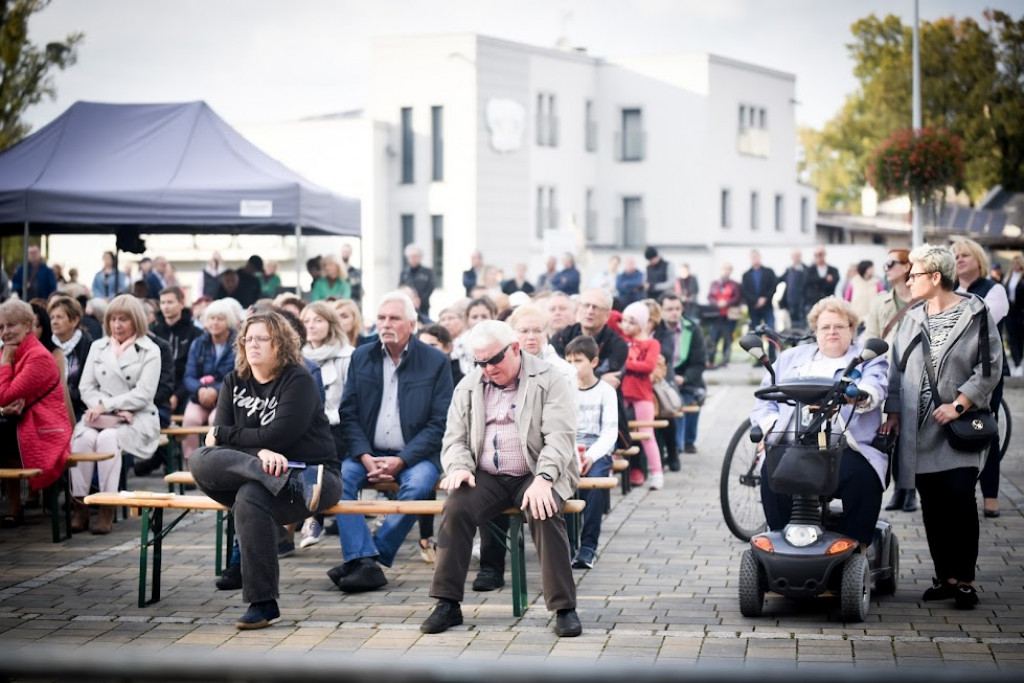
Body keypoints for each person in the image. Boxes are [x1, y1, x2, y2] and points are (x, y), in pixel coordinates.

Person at [420, 320, 581, 637]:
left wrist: (544, 479)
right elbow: (454, 440)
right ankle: (446, 604)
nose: (488, 368)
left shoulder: (550, 379)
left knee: (544, 509)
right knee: (455, 509)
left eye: (494, 359)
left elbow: (560, 437)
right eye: (480, 362)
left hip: (537, 470)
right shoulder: (468, 386)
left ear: (515, 348)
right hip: (487, 476)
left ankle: (564, 608)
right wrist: (460, 467)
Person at [190, 309, 342, 629]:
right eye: (248, 338)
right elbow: (219, 445)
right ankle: (259, 473)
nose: (253, 344)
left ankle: (262, 603)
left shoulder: (298, 378)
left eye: (262, 339)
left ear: (280, 344)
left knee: (248, 497)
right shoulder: (233, 381)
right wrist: (258, 456)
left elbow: (279, 436)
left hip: (312, 477)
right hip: (265, 476)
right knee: (200, 458)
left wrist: (229, 435)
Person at [881, 244, 1002, 610]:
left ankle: (964, 580)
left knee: (960, 499)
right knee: (933, 504)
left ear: (936, 277)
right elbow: (896, 370)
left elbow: (990, 366)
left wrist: (959, 403)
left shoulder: (974, 312)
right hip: (919, 434)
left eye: (915, 274)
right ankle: (945, 577)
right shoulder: (912, 317)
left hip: (958, 428)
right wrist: (894, 412)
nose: (909, 279)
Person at [326, 292, 453, 593]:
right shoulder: (362, 356)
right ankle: (364, 559)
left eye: (394, 318)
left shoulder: (435, 360)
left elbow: (440, 422)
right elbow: (349, 413)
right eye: (381, 318)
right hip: (367, 453)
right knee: (339, 480)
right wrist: (364, 454)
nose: (386, 324)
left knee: (420, 483)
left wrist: (403, 459)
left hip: (416, 456)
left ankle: (369, 557)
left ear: (412, 323)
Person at [753, 296, 889, 550]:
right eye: (825, 327)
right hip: (794, 441)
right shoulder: (791, 358)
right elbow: (764, 402)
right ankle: (782, 542)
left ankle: (855, 548)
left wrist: (857, 396)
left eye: (840, 326)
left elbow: (875, 386)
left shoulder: (866, 358)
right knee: (770, 470)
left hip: (847, 445)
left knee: (862, 476)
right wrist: (770, 429)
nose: (832, 332)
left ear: (852, 329)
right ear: (815, 331)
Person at [70, 295, 161, 534]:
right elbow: (85, 387)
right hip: (99, 413)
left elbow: (144, 393)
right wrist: (105, 407)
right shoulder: (97, 346)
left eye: (123, 319)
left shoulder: (150, 350)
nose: (117, 325)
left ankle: (107, 506)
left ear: (136, 321)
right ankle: (80, 504)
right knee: (83, 438)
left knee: (108, 439)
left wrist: (109, 405)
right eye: (112, 319)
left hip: (137, 417)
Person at [0, 300, 72, 528]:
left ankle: (14, 505)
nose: (5, 332)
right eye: (1, 327)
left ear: (28, 325)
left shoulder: (37, 356)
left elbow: (5, 395)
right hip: (15, 424)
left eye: (11, 325)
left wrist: (5, 362)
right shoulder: (11, 352)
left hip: (42, 429)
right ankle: (13, 505)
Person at [952, 238, 1009, 519]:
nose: (959, 259)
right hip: (952, 370)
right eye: (956, 256)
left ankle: (990, 495)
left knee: (985, 429)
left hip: (986, 369)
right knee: (950, 430)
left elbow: (981, 319)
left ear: (978, 260)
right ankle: (959, 492)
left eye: (965, 255)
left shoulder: (994, 289)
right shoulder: (948, 289)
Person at [861, 248, 918, 513]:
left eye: (891, 263)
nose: (885, 267)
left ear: (908, 267)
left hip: (916, 373)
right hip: (885, 372)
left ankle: (911, 490)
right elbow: (871, 337)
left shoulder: (922, 299)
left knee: (912, 433)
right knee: (890, 431)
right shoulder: (880, 302)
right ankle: (897, 489)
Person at [296, 301, 352, 549]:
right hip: (306, 424)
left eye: (317, 320)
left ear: (330, 323)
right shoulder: (297, 355)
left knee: (320, 449)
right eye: (307, 321)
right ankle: (296, 523)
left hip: (337, 424)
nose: (311, 326)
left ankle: (313, 517)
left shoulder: (347, 354)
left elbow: (350, 398)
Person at [564, 335, 618, 569]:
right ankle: (567, 544)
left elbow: (609, 432)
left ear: (594, 362)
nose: (572, 367)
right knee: (561, 482)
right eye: (568, 361)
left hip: (596, 449)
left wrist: (591, 456)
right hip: (569, 447)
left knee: (595, 483)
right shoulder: (563, 389)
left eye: (578, 361)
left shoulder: (606, 391)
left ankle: (588, 547)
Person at [180, 299, 240, 467]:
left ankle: (215, 464)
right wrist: (201, 390)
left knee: (216, 421)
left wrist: (216, 391)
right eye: (211, 318)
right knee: (190, 419)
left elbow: (239, 375)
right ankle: (190, 463)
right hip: (200, 396)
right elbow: (189, 376)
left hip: (227, 396)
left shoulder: (238, 344)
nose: (214, 322)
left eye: (220, 318)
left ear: (227, 321)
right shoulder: (199, 343)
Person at [618, 301, 665, 489]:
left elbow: (648, 366)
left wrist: (624, 363)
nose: (626, 325)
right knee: (616, 430)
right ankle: (610, 468)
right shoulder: (621, 339)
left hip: (642, 393)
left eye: (632, 321)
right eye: (625, 321)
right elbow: (612, 316)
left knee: (647, 434)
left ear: (643, 324)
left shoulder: (652, 343)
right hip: (622, 392)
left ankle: (656, 472)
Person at [657, 293, 706, 459]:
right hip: (662, 380)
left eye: (677, 308)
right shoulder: (656, 330)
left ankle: (686, 442)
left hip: (687, 380)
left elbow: (699, 363)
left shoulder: (693, 329)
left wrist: (683, 378)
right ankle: (673, 446)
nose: (674, 313)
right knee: (669, 400)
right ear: (661, 311)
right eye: (669, 309)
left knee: (689, 398)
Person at [150, 287, 202, 418]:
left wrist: (178, 395)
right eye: (163, 302)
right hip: (157, 389)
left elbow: (196, 369)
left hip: (186, 389)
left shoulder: (195, 333)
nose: (166, 307)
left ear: (181, 303)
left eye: (170, 302)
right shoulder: (152, 332)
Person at [48, 295, 94, 420]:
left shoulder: (89, 347)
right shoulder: (46, 347)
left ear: (74, 321)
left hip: (79, 410)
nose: (54, 321)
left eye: (59, 317)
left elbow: (89, 385)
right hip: (49, 409)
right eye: (52, 317)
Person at [741, 250, 779, 361]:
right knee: (756, 336)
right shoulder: (746, 275)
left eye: (756, 257)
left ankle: (772, 358)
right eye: (753, 257)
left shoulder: (769, 272)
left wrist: (764, 299)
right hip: (754, 309)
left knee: (771, 331)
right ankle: (759, 360)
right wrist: (756, 301)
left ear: (760, 257)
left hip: (767, 307)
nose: (755, 259)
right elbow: (745, 291)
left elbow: (773, 287)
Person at [707, 263, 742, 367]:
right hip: (716, 315)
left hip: (729, 316)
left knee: (727, 338)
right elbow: (710, 296)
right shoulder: (714, 284)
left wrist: (727, 302)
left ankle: (725, 360)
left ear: (730, 272)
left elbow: (737, 297)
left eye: (728, 270)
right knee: (714, 337)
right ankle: (711, 360)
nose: (725, 272)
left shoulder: (735, 285)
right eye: (724, 269)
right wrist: (717, 303)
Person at [399, 245, 436, 318]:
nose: (412, 259)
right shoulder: (404, 272)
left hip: (423, 306)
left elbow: (430, 287)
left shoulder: (427, 272)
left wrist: (418, 300)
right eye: (410, 256)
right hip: (407, 304)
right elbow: (400, 287)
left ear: (420, 257)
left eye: (415, 256)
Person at [805, 247, 840, 318]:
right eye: (816, 255)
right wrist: (825, 279)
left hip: (828, 302)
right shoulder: (809, 270)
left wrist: (819, 282)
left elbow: (834, 283)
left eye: (820, 254)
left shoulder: (833, 270)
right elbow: (809, 282)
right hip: (813, 303)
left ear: (824, 255)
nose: (818, 257)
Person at [845, 260, 884, 324]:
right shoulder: (853, 283)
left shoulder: (876, 282)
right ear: (865, 269)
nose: (873, 270)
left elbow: (883, 297)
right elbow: (847, 300)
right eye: (871, 268)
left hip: (873, 318)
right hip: (857, 318)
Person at [1005, 254, 1024, 378]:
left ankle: (1020, 362)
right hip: (1010, 310)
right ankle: (1017, 363)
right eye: (1013, 264)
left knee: (1020, 337)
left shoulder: (1022, 279)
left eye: (1017, 264)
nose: (1015, 266)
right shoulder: (1009, 277)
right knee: (1011, 337)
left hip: (1021, 311)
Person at [779, 250, 807, 330]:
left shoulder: (806, 270)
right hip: (790, 303)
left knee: (802, 327)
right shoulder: (789, 270)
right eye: (794, 256)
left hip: (802, 304)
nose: (796, 258)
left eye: (797, 256)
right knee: (793, 326)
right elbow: (779, 279)